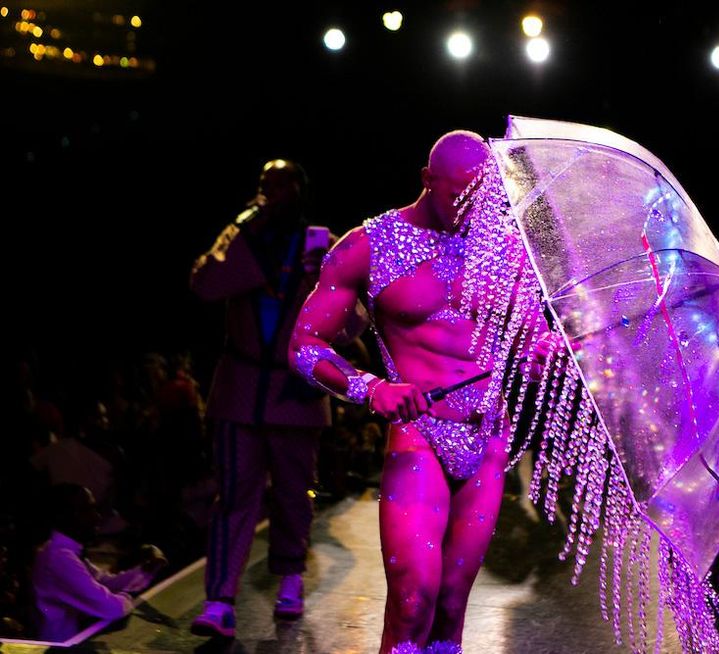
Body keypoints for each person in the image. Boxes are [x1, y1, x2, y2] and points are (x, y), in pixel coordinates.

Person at [289, 131, 547, 654]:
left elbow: (530, 336)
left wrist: (544, 351)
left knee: (451, 606)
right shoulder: (369, 244)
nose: (469, 211)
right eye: (457, 196)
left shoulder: (504, 247)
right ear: (427, 180)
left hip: (487, 436)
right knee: (412, 602)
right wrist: (369, 388)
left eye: (480, 199)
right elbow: (303, 343)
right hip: (419, 434)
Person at [189, 160, 338, 637]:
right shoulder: (243, 237)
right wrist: (241, 226)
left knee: (294, 493)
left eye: (279, 185)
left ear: (299, 190)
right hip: (241, 392)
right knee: (233, 496)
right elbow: (204, 284)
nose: (269, 193)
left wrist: (322, 287)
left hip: (295, 393)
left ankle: (291, 578)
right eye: (263, 185)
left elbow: (353, 318)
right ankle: (219, 601)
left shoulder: (321, 244)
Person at [32, 484, 166, 642]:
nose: (97, 517)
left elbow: (104, 582)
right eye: (87, 510)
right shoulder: (60, 557)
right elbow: (111, 609)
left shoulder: (63, 550)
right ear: (66, 516)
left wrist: (145, 569)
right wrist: (129, 595)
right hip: (63, 646)